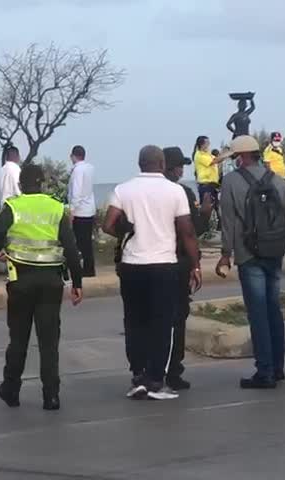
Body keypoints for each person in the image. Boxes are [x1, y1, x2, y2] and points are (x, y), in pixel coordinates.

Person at [102, 145, 202, 400]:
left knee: (134, 321)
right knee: (162, 323)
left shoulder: (123, 189)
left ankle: (138, 374)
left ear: (140, 164)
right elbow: (187, 231)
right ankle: (156, 379)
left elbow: (108, 224)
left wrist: (128, 233)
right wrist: (195, 264)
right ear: (161, 164)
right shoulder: (175, 191)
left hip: (132, 265)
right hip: (163, 265)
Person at [0, 164, 84, 410]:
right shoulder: (55, 207)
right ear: (42, 183)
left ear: (21, 184)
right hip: (51, 281)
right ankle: (51, 395)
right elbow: (71, 248)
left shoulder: (13, 206)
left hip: (21, 280)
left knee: (18, 339)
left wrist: (1, 250)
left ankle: (11, 389)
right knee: (49, 342)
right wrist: (77, 282)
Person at [216, 136, 285, 389]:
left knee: (258, 313)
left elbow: (229, 223)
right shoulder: (277, 180)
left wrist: (226, 253)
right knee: (273, 309)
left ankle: (264, 371)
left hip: (249, 254)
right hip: (276, 250)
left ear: (241, 157)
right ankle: (278, 368)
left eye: (235, 157)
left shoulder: (231, 181)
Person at [162, 146, 211, 390]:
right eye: (180, 165)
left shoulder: (146, 192)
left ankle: (147, 369)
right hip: (178, 262)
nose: (183, 169)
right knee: (177, 319)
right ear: (171, 168)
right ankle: (173, 371)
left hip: (150, 263)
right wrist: (205, 212)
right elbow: (192, 230)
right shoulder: (181, 192)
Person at [67, 145, 97, 277]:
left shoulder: (78, 170)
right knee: (86, 241)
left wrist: (72, 211)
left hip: (80, 210)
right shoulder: (90, 168)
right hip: (89, 208)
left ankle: (85, 269)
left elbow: (76, 191)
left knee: (79, 241)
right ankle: (89, 267)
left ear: (73, 156)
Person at [0, 144, 22, 208]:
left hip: (4, 206)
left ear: (6, 157)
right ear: (17, 156)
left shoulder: (0, 171)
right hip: (16, 205)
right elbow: (19, 188)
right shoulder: (17, 169)